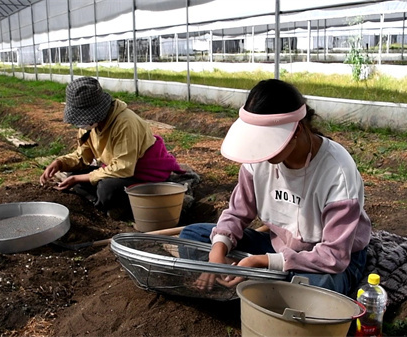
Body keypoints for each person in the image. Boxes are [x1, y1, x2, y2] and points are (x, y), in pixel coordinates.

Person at [179, 79, 371, 295]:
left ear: (296, 130)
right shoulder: (257, 162)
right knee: (194, 236)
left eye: (268, 142)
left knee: (321, 285)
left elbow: (334, 256)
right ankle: (264, 288)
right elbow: (236, 213)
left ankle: (256, 287)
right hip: (278, 247)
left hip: (327, 259)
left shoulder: (337, 172)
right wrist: (217, 251)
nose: (262, 151)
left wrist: (263, 262)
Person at [40, 76, 184, 220]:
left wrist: (83, 178)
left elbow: (123, 168)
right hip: (117, 171)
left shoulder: (125, 123)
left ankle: (120, 208)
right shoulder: (89, 126)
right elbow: (83, 156)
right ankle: (107, 205)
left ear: (96, 111)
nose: (80, 124)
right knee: (73, 176)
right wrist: (60, 163)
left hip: (141, 174)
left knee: (107, 189)